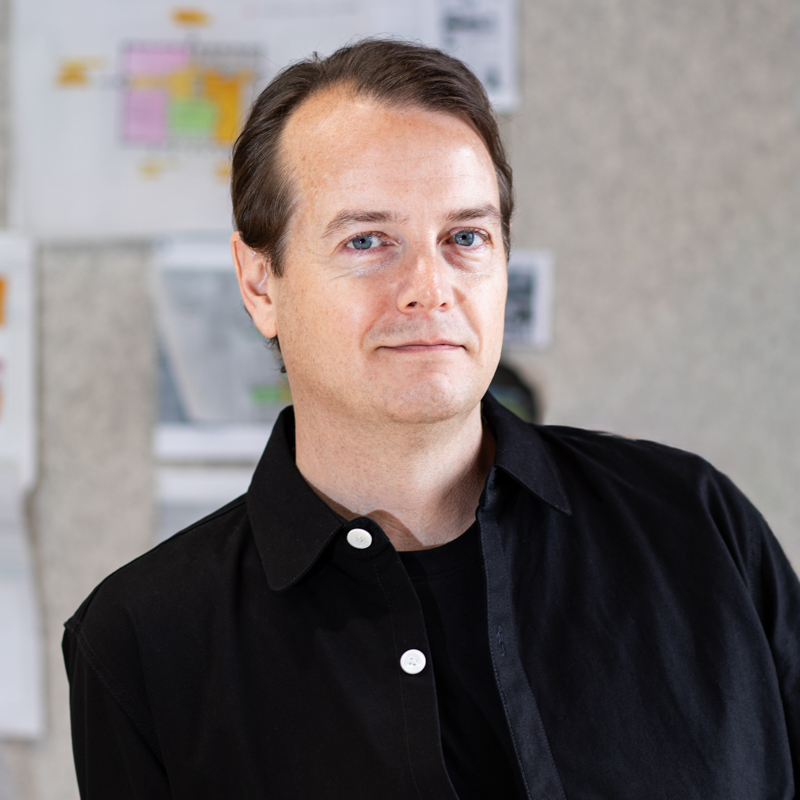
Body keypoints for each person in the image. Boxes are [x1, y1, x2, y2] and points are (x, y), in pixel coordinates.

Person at [63, 39, 799, 799]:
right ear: (260, 284)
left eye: (465, 238)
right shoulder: (141, 643)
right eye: (368, 241)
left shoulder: (696, 527)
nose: (430, 287)